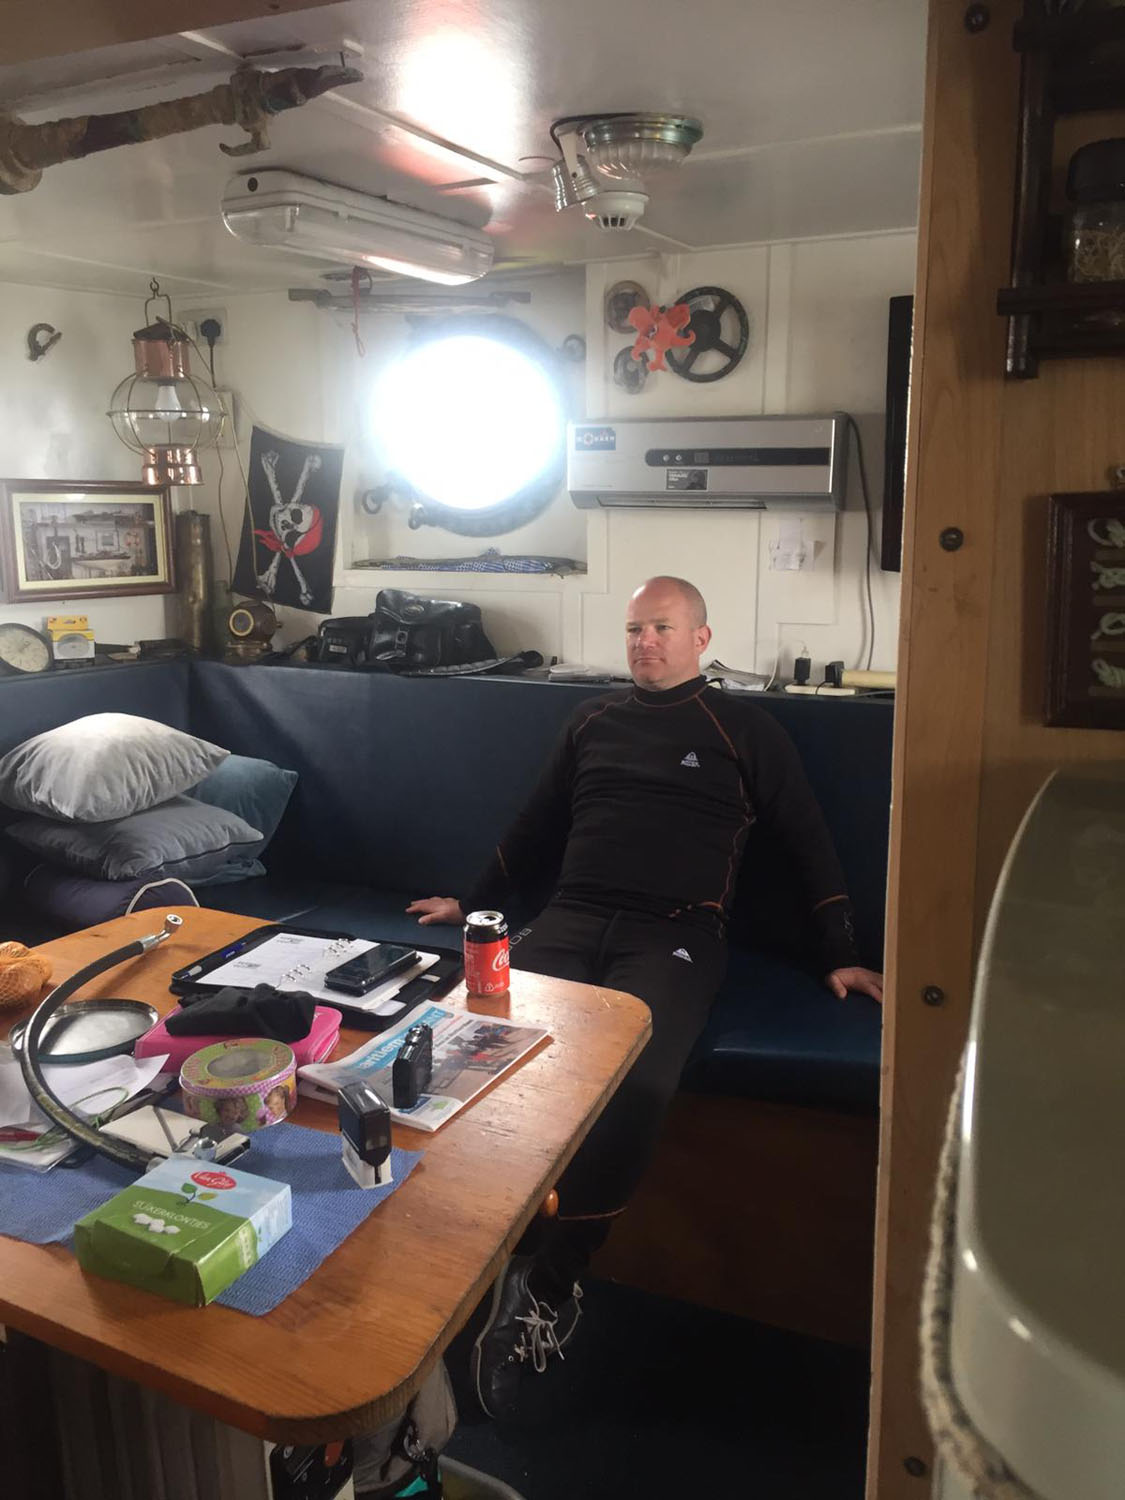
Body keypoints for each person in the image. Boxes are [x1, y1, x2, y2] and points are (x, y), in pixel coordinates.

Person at [407, 576, 883, 1419]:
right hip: (570, 917)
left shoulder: (743, 728)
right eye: (633, 629)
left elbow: (808, 840)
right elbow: (534, 827)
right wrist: (473, 903)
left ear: (701, 638)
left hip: (675, 935)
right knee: (460, 1044)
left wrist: (841, 954)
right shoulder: (591, 720)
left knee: (638, 1077)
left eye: (660, 627)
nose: (644, 643)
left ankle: (547, 1281)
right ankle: (450, 1252)